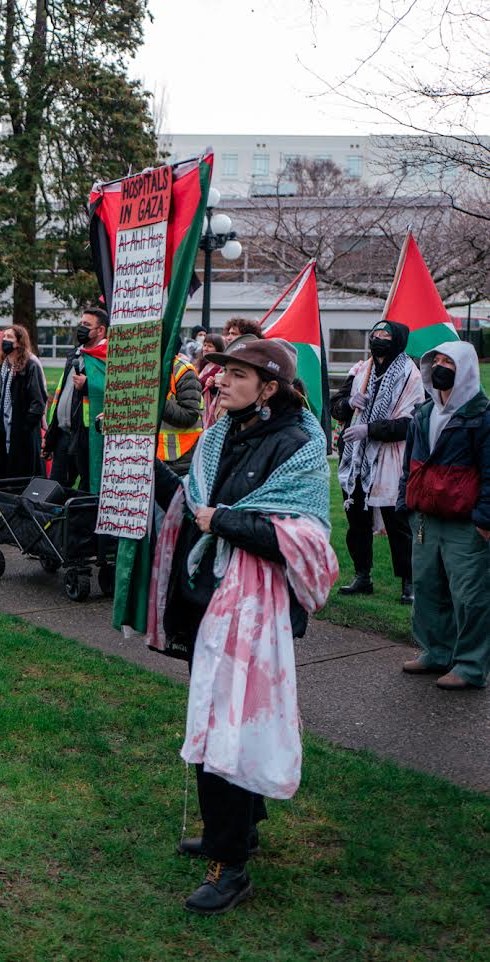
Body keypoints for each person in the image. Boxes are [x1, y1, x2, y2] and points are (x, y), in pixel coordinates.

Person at [147, 337, 338, 915]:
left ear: (270, 388)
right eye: (220, 373)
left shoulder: (299, 444)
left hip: (255, 612)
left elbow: (307, 541)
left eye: (234, 375)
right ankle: (236, 829)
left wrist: (223, 522)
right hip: (214, 601)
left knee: (227, 725)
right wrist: (137, 463)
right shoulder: (223, 433)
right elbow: (191, 499)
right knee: (221, 717)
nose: (219, 382)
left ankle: (229, 868)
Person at [398, 341, 490, 691]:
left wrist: (484, 519)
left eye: (447, 361)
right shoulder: (424, 413)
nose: (438, 366)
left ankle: (470, 665)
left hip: (465, 522)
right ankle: (436, 651)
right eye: (434, 360)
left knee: (469, 594)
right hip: (424, 517)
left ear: (464, 368)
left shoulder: (482, 416)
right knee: (427, 586)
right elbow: (410, 465)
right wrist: (404, 503)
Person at [331, 321, 422, 602]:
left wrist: (371, 429)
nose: (378, 339)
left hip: (391, 458)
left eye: (385, 336)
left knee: (397, 523)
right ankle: (362, 575)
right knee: (356, 518)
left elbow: (412, 423)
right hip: (357, 459)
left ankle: (409, 582)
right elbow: (337, 405)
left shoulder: (411, 375)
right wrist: (349, 403)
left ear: (397, 341)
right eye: (375, 335)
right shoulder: (361, 370)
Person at [43, 307, 109, 492]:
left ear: (100, 330)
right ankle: (56, 522)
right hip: (64, 434)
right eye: (81, 324)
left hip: (87, 437)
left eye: (87, 325)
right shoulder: (75, 354)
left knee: (86, 490)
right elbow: (62, 394)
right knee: (54, 489)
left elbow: (115, 391)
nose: (81, 328)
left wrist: (89, 385)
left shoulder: (109, 356)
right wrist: (50, 437)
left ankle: (79, 522)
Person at [0, 323, 47, 481]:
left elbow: (38, 401)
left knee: (22, 477)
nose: (5, 341)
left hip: (22, 432)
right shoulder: (4, 365)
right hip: (2, 427)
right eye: (5, 337)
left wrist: (25, 426)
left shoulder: (30, 365)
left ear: (19, 342)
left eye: (10, 337)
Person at [158, 350, 205, 476]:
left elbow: (189, 416)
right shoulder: (138, 369)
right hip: (146, 458)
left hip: (179, 462)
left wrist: (157, 398)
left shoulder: (183, 370)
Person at [196, 334, 228, 430]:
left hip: (210, 410)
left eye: (210, 346)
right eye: (205, 345)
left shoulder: (219, 368)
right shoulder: (206, 365)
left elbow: (199, 384)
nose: (205, 348)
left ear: (218, 349)